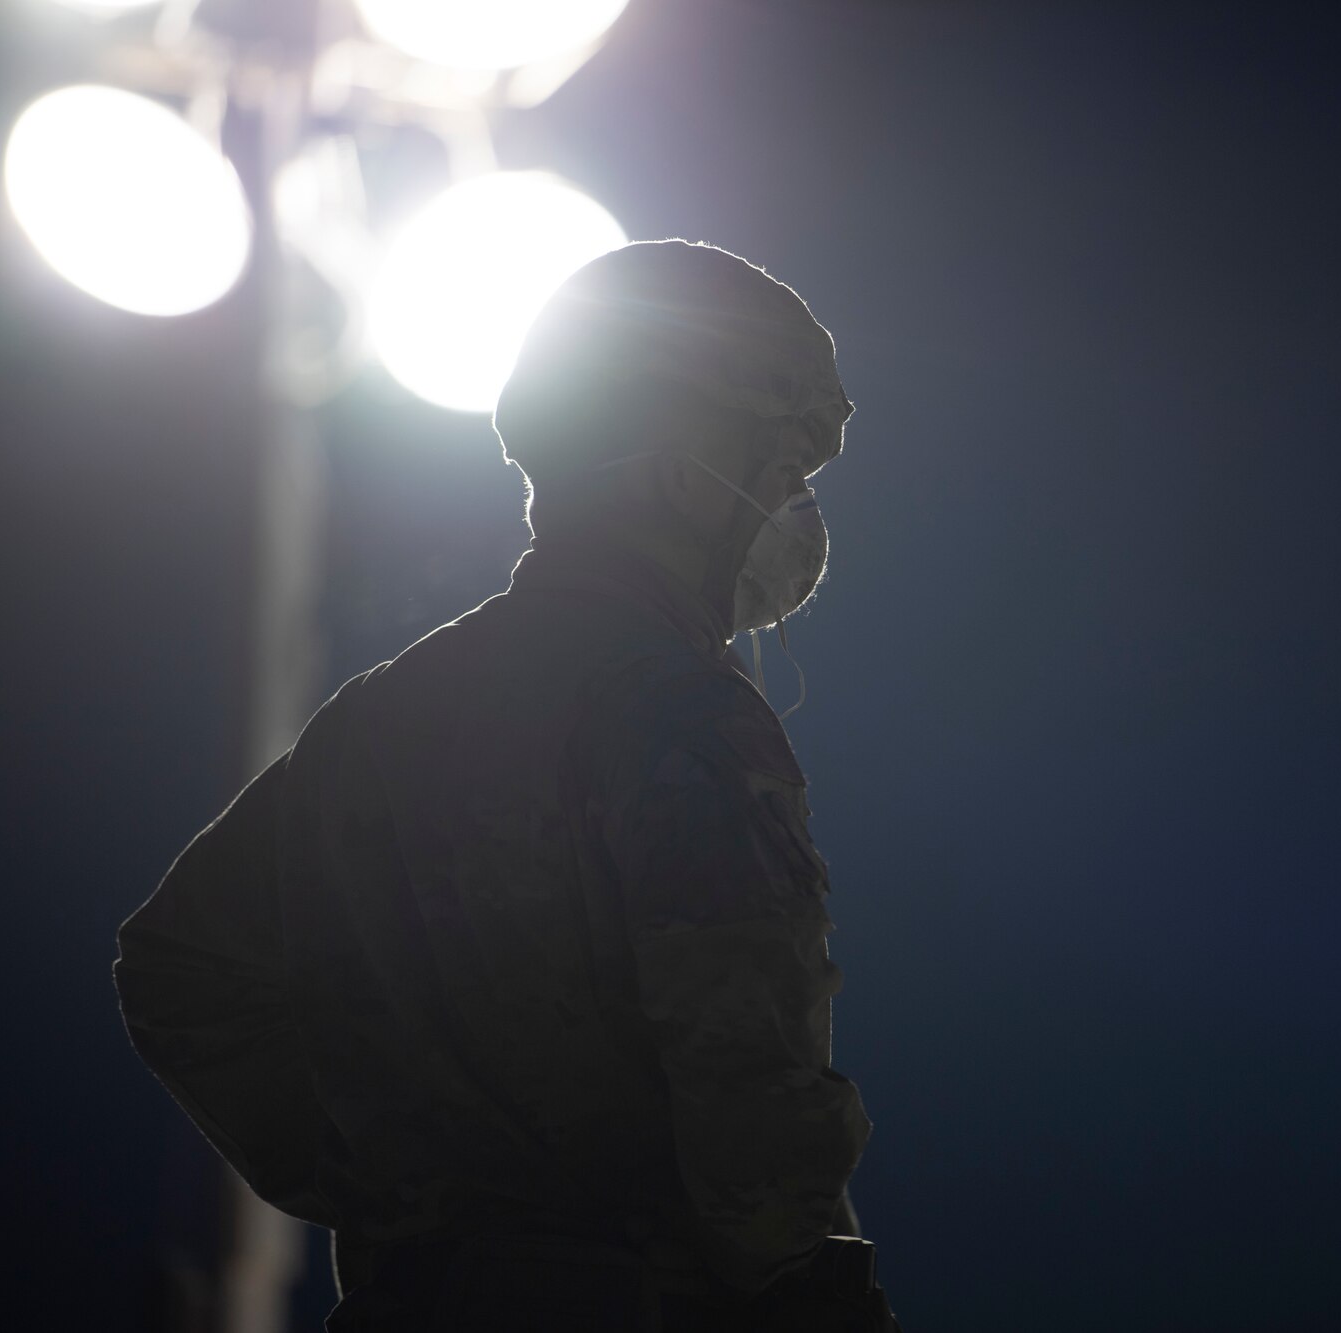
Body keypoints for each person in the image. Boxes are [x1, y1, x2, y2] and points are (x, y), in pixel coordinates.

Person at [113, 240, 899, 1331]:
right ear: (686, 471)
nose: (797, 510)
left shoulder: (383, 717)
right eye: (784, 472)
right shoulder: (677, 711)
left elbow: (182, 970)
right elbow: (747, 1085)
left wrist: (389, 1189)